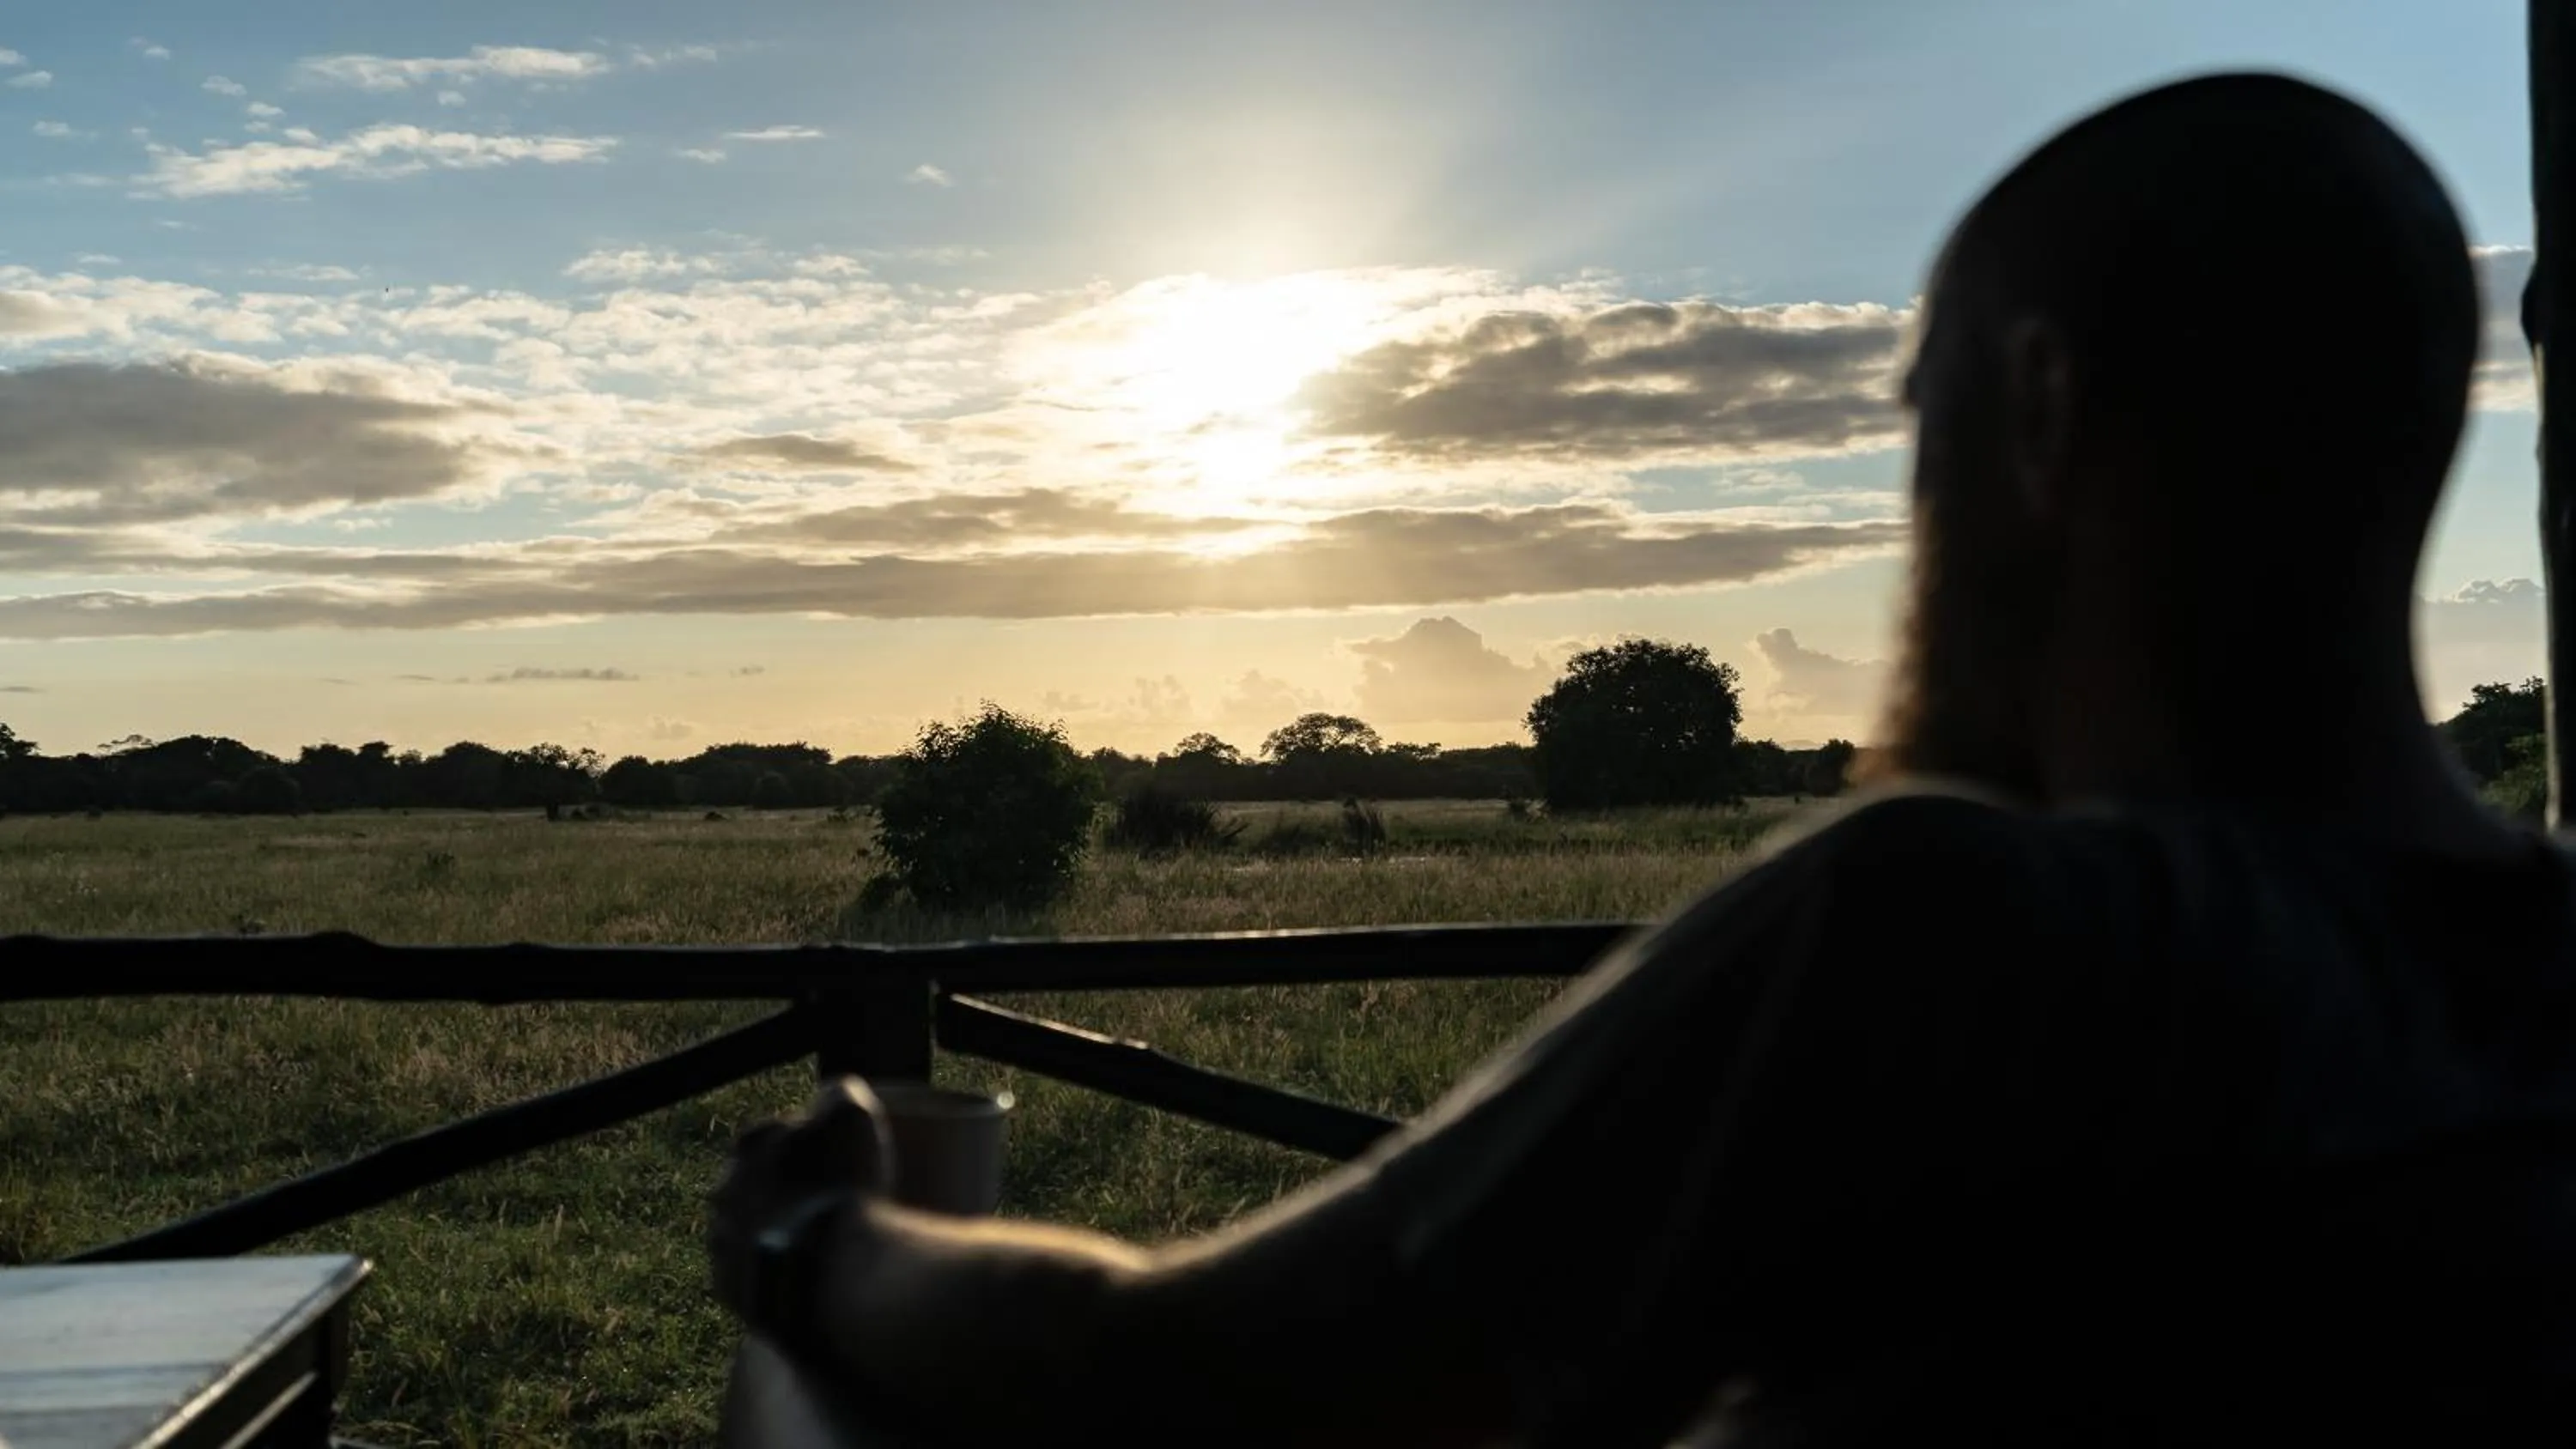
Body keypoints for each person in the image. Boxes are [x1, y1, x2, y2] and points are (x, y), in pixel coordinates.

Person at [708, 71, 2576, 1446]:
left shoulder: (1971, 939)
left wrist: (821, 1242)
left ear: (2037, 406)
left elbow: (1205, 1382)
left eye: (1914, 427)